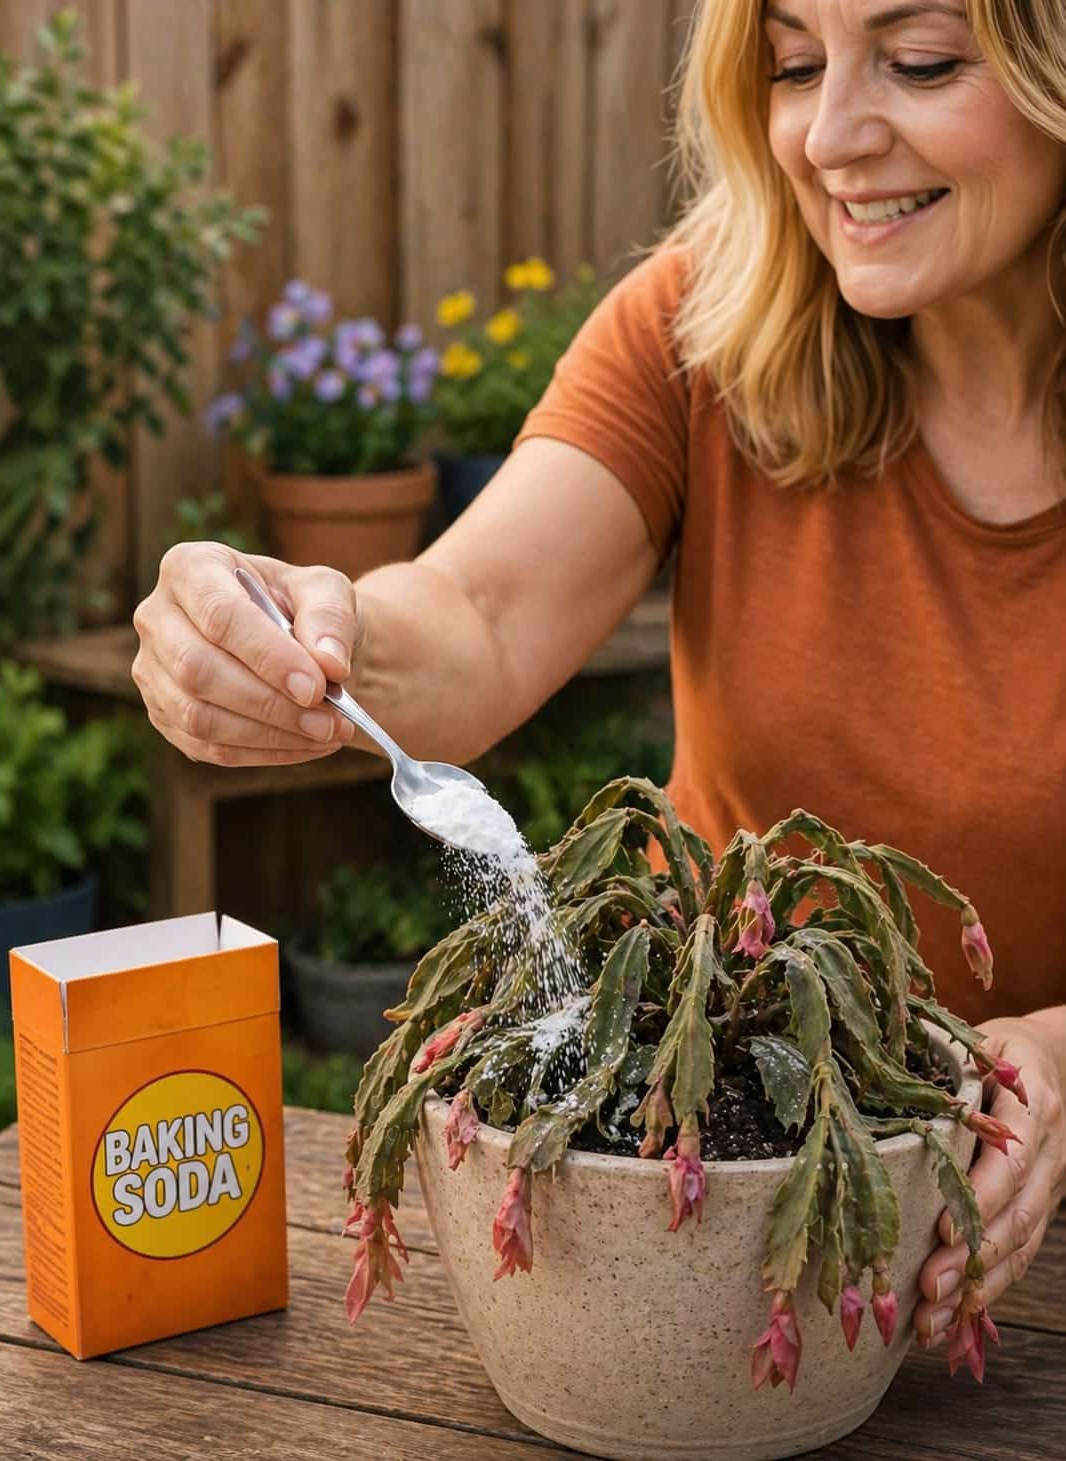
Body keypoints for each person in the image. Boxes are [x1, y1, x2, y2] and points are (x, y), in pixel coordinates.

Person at [132, 0, 1064, 1354]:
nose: (831, 136)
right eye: (795, 65)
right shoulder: (712, 324)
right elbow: (476, 615)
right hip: (722, 1253)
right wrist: (309, 625)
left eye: (920, 63)